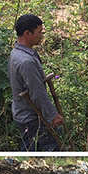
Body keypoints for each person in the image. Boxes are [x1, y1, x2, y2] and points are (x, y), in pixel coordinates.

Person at [9, 14, 62, 152]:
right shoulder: (26, 61)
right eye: (39, 32)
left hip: (24, 114)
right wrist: (52, 115)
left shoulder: (17, 53)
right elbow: (37, 92)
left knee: (31, 149)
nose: (41, 36)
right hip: (30, 117)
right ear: (27, 33)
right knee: (51, 149)